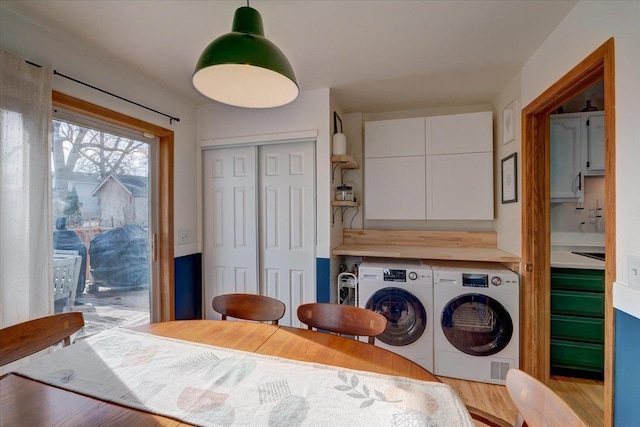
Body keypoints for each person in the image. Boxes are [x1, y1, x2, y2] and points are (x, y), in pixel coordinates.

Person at [53, 217, 87, 304]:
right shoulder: (72, 234)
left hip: (57, 276)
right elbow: (81, 247)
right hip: (71, 273)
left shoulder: (53, 236)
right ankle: (77, 290)